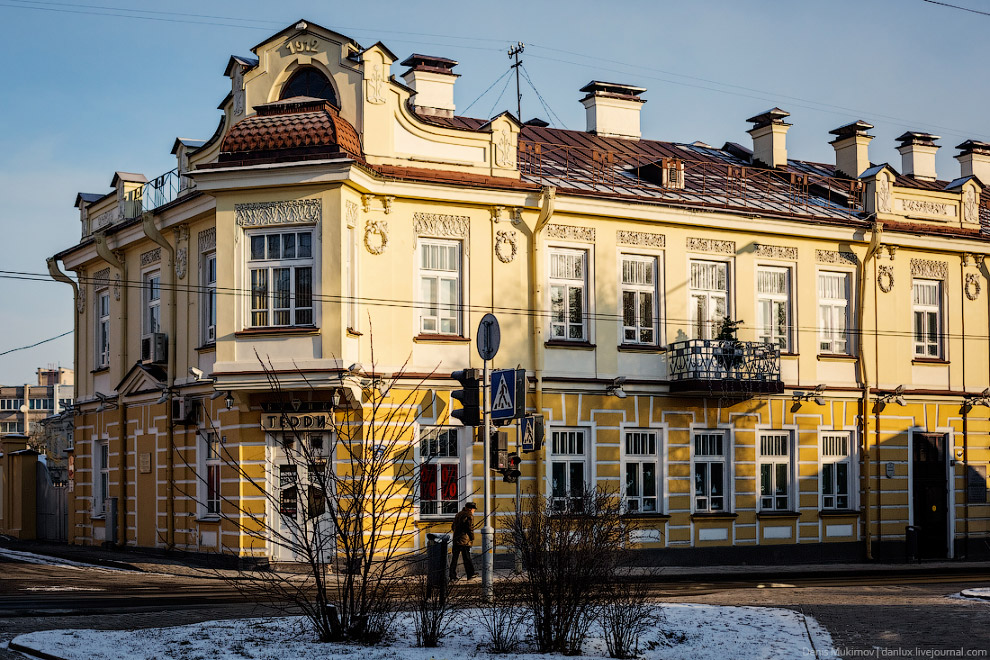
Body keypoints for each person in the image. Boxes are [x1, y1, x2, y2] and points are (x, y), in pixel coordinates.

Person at [449, 502, 477, 581]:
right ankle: (470, 574)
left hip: (456, 539)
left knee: (454, 558)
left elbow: (453, 527)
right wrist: (472, 537)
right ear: (470, 509)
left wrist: (457, 533)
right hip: (465, 540)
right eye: (473, 509)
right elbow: (469, 528)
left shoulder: (458, 514)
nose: (474, 511)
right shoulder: (469, 515)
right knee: (467, 558)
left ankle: (452, 575)